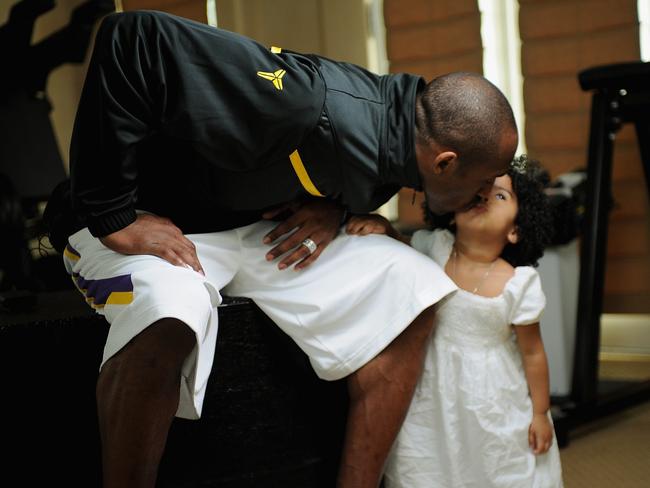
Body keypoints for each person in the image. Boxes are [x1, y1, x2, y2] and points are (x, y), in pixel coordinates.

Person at [45, 9, 519, 488]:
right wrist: (112, 214)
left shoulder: (402, 141)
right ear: (445, 162)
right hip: (147, 221)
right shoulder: (299, 100)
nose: (485, 194)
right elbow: (134, 36)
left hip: (255, 230)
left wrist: (331, 209)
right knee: (171, 311)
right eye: (483, 183)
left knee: (414, 285)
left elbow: (331, 164)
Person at [346, 155, 564, 487]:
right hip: (432, 385)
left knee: (493, 461)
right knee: (428, 459)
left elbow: (533, 353)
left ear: (516, 231)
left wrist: (539, 413)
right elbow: (401, 246)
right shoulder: (436, 247)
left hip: (493, 396)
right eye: (478, 191)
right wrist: (384, 228)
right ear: (451, 211)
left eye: (500, 195)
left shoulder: (519, 283)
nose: (485, 197)